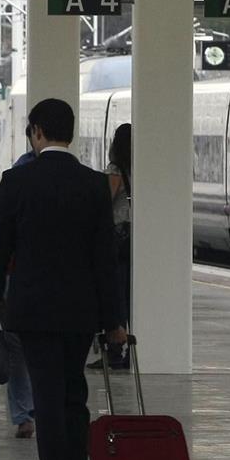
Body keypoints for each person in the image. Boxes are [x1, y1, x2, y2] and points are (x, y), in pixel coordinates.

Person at [0, 98, 127, 460]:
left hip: (33, 311)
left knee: (46, 397)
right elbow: (105, 258)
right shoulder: (94, 185)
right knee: (73, 395)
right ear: (72, 132)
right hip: (81, 312)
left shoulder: (17, 182)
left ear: (37, 132)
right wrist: (114, 319)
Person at [89, 124, 134, 371]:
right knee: (129, 295)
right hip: (134, 239)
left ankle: (115, 351)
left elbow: (103, 203)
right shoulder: (139, 168)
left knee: (116, 295)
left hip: (117, 240)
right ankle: (125, 350)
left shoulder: (116, 171)